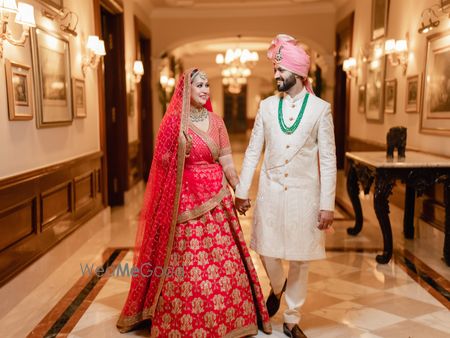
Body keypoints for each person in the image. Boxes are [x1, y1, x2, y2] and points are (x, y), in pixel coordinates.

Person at [116, 68, 272, 337]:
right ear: (185, 91)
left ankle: (231, 318)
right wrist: (179, 152)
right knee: (187, 264)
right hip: (183, 201)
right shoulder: (173, 123)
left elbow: (225, 161)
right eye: (198, 85)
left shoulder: (217, 121)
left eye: (207, 85)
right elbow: (160, 162)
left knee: (226, 261)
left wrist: (239, 190)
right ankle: (183, 321)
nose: (204, 90)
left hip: (217, 198)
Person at [235, 34, 337, 338]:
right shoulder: (267, 107)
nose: (276, 75)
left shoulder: (321, 109)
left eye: (281, 70)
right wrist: (241, 190)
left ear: (298, 72)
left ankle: (292, 318)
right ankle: (277, 286)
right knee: (266, 251)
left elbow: (328, 159)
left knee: (300, 259)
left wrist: (327, 204)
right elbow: (254, 150)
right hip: (270, 192)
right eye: (275, 70)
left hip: (305, 196)